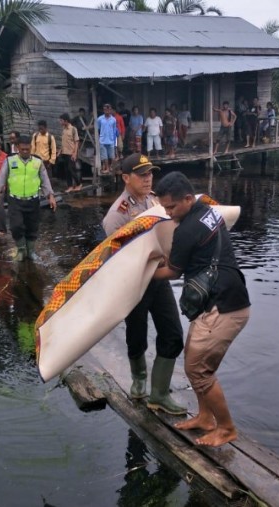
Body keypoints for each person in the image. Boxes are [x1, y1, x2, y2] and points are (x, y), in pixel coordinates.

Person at [153, 171, 251, 447]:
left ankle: (227, 428)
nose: (169, 214)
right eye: (165, 208)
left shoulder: (187, 229)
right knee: (197, 362)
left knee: (197, 369)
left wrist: (141, 275)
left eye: (172, 207)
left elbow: (172, 272)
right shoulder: (207, 211)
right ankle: (205, 417)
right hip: (229, 298)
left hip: (223, 307)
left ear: (187, 199)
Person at [102, 153, 186, 415]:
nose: (149, 178)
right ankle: (139, 380)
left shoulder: (155, 201)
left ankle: (159, 393)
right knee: (136, 333)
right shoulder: (117, 215)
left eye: (150, 173)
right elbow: (117, 256)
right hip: (134, 284)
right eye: (142, 174)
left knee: (172, 333)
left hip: (159, 279)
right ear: (126, 178)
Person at [0, 135, 57, 262]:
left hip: (33, 200)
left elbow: (45, 180)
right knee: (16, 226)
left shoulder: (37, 162)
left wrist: (51, 196)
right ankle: (21, 250)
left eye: (28, 149)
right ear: (17, 148)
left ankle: (31, 251)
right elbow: (1, 177)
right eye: (22, 149)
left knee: (32, 226)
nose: (25, 152)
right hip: (15, 200)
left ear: (31, 148)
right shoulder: (10, 160)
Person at [58, 113, 81, 192]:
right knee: (67, 171)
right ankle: (70, 186)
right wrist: (60, 151)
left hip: (71, 153)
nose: (60, 122)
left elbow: (76, 142)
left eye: (61, 121)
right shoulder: (64, 130)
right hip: (65, 153)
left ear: (66, 121)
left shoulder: (73, 129)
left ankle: (79, 184)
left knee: (71, 169)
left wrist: (75, 153)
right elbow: (63, 142)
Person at [96, 103, 118, 174]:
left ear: (110, 110)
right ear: (103, 110)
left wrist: (115, 140)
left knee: (112, 156)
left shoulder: (113, 120)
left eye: (108, 110)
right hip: (103, 140)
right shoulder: (100, 119)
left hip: (111, 140)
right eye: (105, 110)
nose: (107, 111)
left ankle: (111, 167)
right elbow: (98, 129)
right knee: (104, 156)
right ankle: (107, 168)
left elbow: (114, 130)